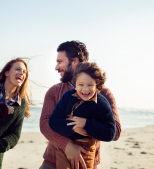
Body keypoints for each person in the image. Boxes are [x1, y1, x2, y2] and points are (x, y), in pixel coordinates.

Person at [39, 40, 122, 169]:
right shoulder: (54, 91)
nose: (56, 67)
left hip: (87, 162)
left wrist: (85, 125)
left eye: (60, 62)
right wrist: (67, 145)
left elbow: (115, 132)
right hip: (53, 163)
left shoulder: (103, 94)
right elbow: (45, 124)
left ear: (75, 62)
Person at [49, 62, 116, 169]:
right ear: (75, 84)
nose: (85, 89)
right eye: (81, 84)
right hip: (65, 148)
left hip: (87, 150)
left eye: (90, 85)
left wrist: (85, 124)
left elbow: (110, 133)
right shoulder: (68, 97)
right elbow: (53, 122)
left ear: (97, 85)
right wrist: (74, 127)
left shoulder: (101, 103)